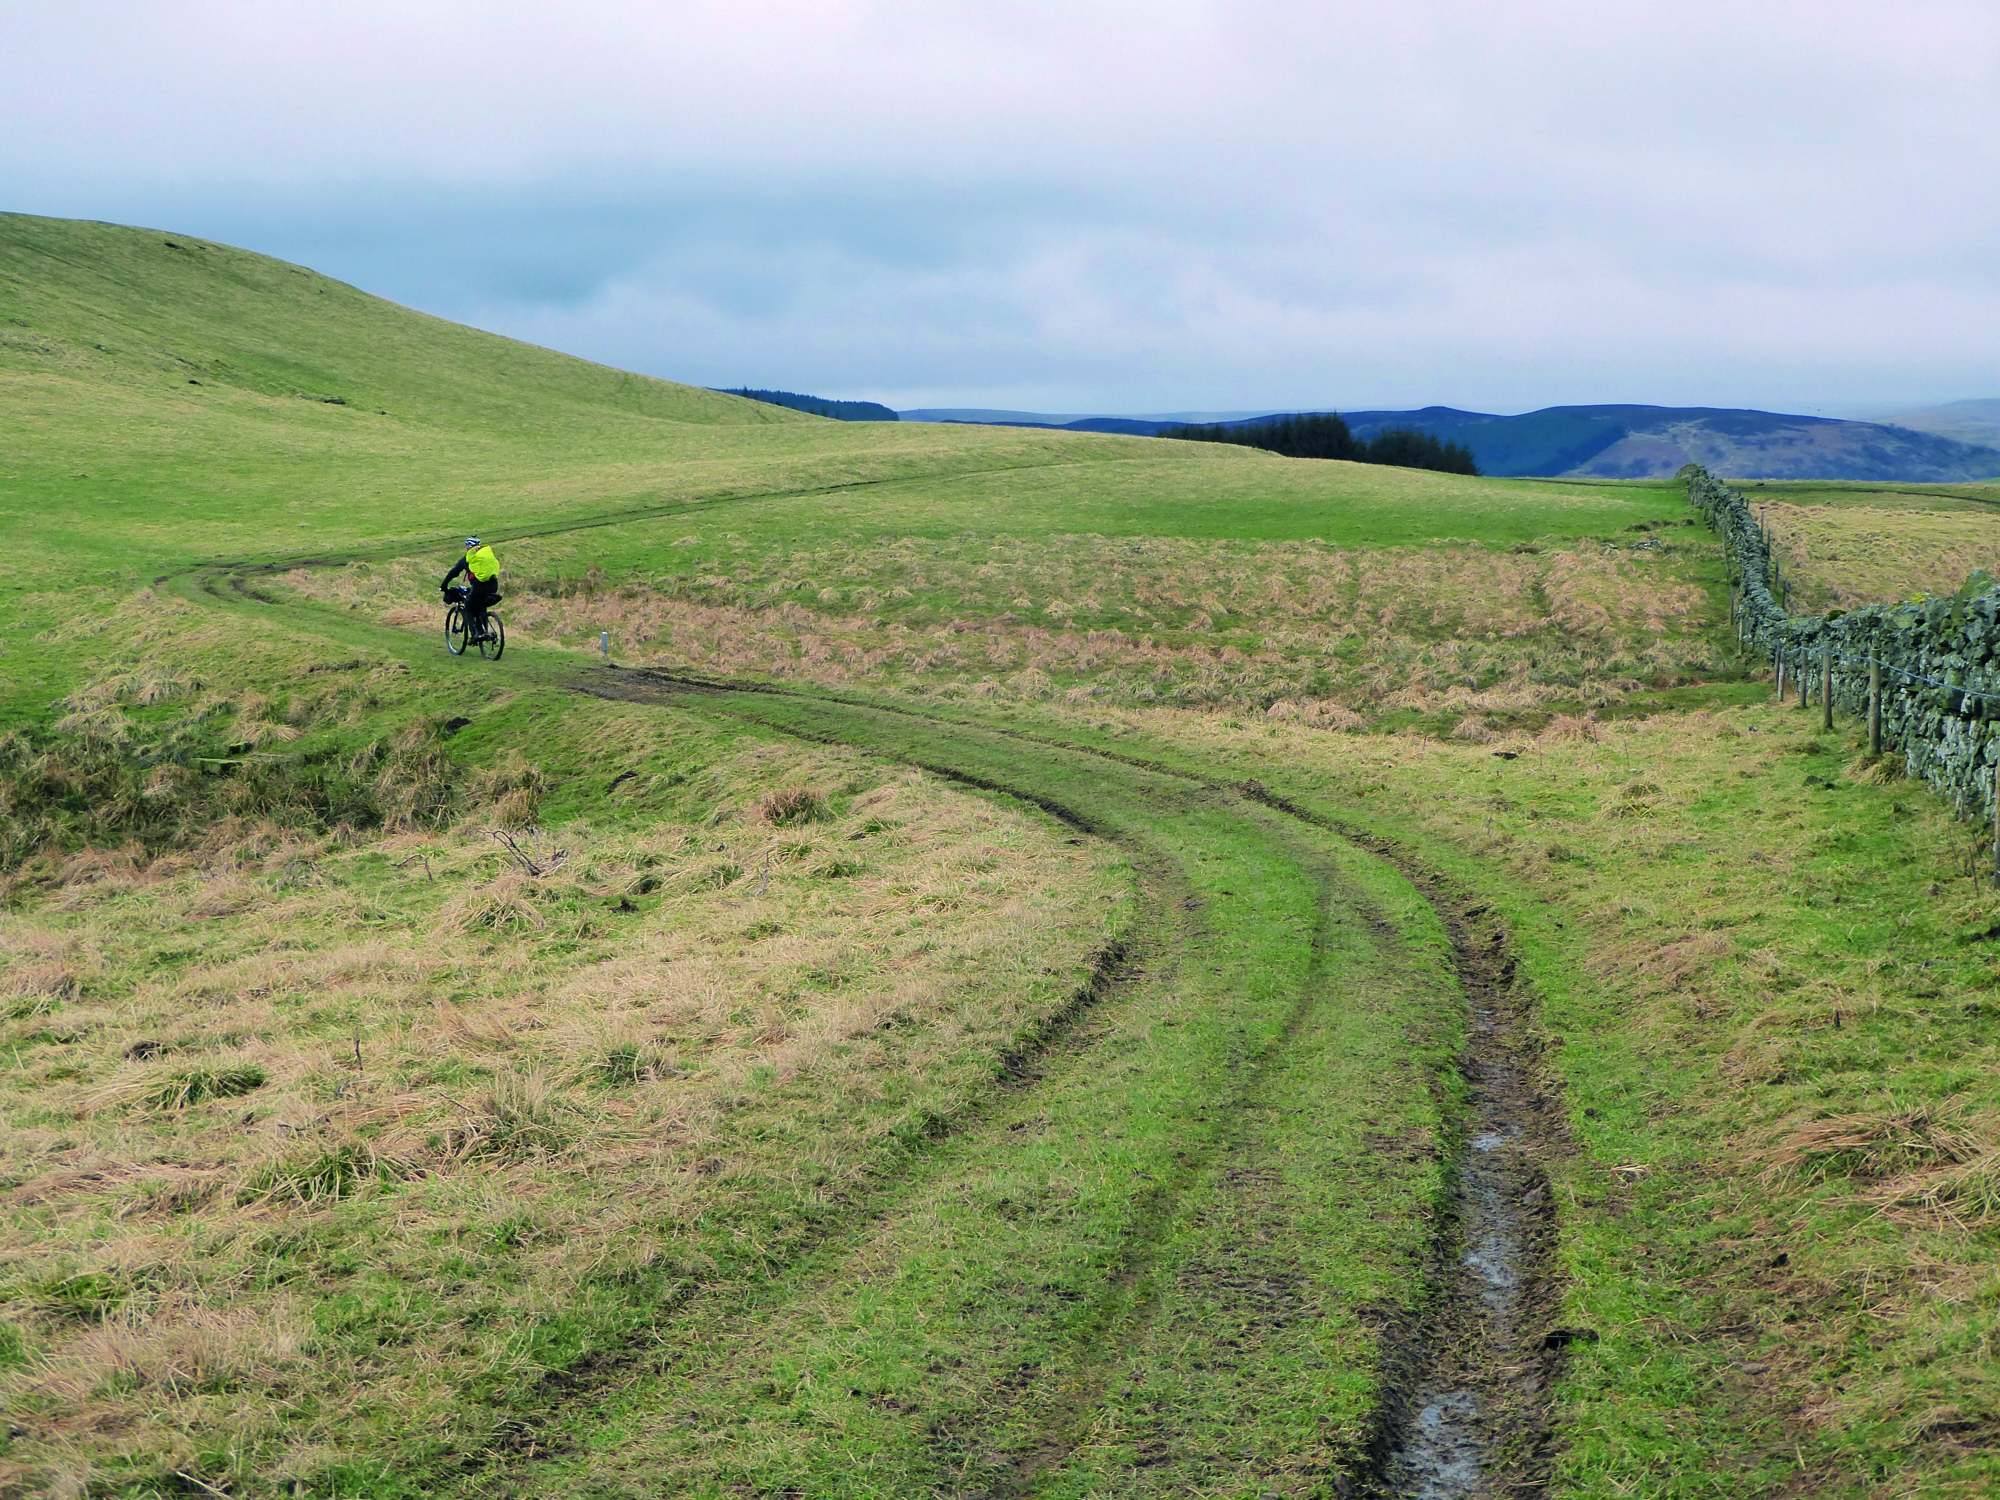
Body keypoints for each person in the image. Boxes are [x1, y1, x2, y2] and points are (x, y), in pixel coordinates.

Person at [442, 536, 501, 635]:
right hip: (493, 585)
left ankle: (474, 634)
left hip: (479, 586)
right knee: (480, 605)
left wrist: (443, 585)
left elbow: (454, 572)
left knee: (469, 604)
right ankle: (483, 631)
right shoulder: (486, 556)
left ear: (468, 547)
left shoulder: (468, 558)